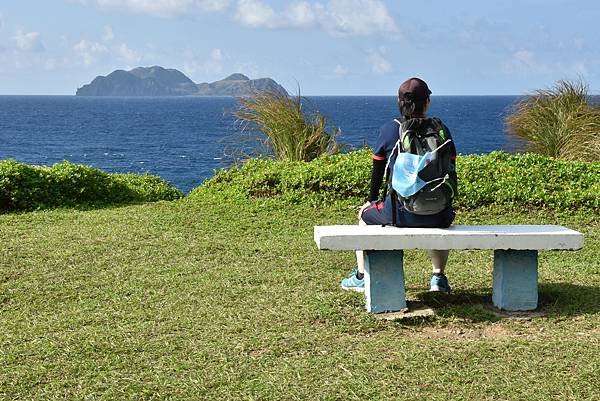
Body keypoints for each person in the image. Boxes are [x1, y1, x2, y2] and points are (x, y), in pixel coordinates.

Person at [341, 77, 458, 293]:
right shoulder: (442, 131)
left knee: (364, 217)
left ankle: (361, 276)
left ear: (399, 102)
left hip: (400, 214)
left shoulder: (390, 130)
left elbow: (377, 171)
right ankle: (438, 277)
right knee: (438, 217)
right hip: (441, 214)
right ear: (427, 102)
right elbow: (451, 171)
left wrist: (371, 201)